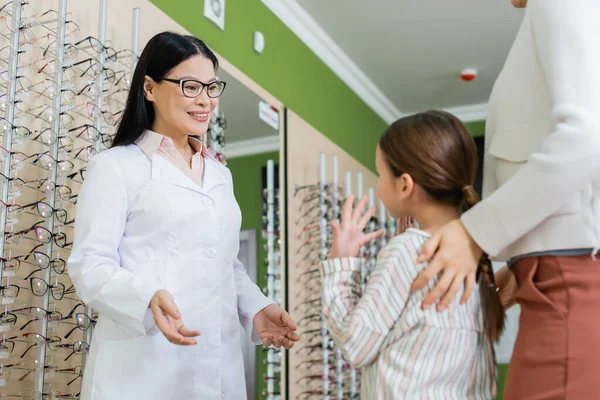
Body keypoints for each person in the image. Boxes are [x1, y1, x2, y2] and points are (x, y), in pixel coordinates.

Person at [68, 31, 299, 400]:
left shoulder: (220, 174)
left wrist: (257, 308)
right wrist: (145, 297)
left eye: (211, 87)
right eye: (190, 86)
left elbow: (225, 263)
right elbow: (90, 265)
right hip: (144, 365)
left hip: (217, 361)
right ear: (149, 88)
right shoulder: (116, 167)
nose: (205, 100)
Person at [411, 1, 600, 398]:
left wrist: (474, 233)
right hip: (549, 287)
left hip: (572, 291)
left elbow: (586, 138)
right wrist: (519, 267)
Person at [321, 111, 502, 398]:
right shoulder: (476, 256)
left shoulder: (407, 252)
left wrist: (341, 264)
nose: (379, 184)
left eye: (380, 173)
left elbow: (355, 345)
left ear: (404, 184)